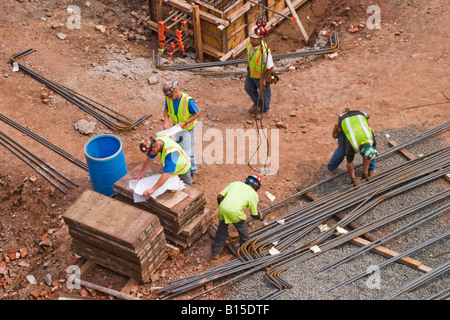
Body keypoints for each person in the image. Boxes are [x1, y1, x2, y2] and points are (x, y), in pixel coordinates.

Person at [211, 175, 266, 260]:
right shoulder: (253, 194)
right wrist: (260, 216)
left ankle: (216, 252)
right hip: (235, 213)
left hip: (222, 209)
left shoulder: (235, 183)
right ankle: (244, 251)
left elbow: (219, 197)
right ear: (256, 186)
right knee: (243, 233)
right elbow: (253, 215)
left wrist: (223, 207)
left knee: (221, 230)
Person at [327, 109, 379, 186]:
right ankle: (330, 168)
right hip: (344, 122)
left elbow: (368, 157)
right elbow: (349, 162)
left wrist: (365, 172)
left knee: (370, 155)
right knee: (341, 152)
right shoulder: (351, 146)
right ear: (361, 152)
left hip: (359, 116)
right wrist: (353, 178)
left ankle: (369, 170)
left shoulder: (372, 141)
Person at [133, 134, 192, 198]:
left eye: (150, 153)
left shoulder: (171, 154)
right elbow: (149, 160)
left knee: (187, 189)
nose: (150, 155)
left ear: (154, 150)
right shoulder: (158, 141)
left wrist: (152, 189)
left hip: (183, 169)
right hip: (173, 168)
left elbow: (166, 175)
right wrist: (140, 175)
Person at [162, 81, 200, 176]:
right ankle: (184, 166)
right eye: (168, 97)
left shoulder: (187, 100)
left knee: (188, 149)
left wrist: (185, 122)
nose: (169, 99)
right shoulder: (169, 98)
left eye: (171, 96)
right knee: (180, 147)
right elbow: (166, 109)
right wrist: (166, 120)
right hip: (177, 127)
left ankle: (193, 170)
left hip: (187, 128)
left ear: (176, 91)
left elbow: (197, 113)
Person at [245, 25, 274, 120]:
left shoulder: (264, 51)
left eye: (253, 39)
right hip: (252, 73)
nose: (251, 40)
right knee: (248, 88)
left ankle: (264, 110)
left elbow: (270, 67)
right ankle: (257, 103)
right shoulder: (249, 44)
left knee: (264, 93)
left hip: (260, 76)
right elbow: (250, 56)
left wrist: (264, 79)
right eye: (250, 38)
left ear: (259, 39)